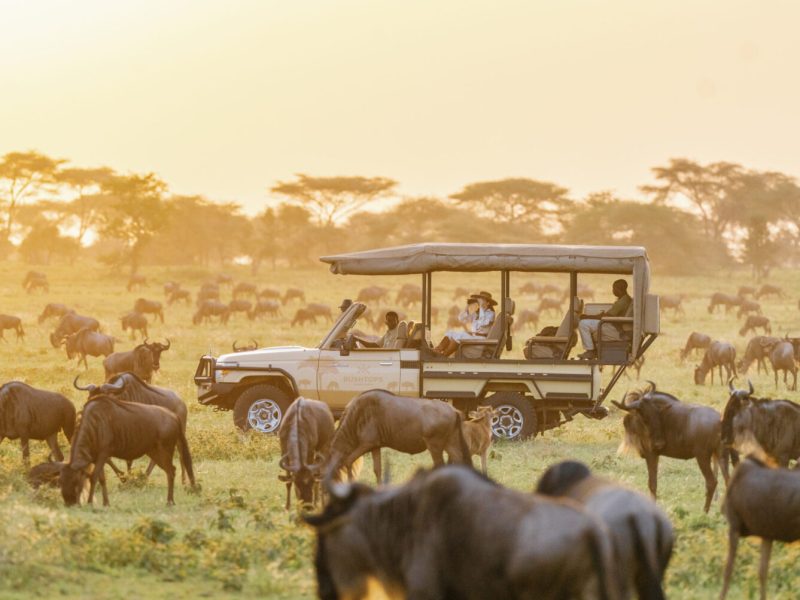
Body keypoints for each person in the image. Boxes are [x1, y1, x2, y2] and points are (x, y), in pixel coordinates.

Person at [577, 279, 632, 360]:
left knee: (583, 324)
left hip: (616, 329)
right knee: (587, 324)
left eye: (614, 288)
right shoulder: (625, 299)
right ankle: (592, 349)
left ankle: (590, 351)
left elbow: (606, 316)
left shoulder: (622, 302)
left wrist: (587, 316)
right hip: (613, 324)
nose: (613, 290)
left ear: (618, 289)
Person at [433, 291, 497, 357]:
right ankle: (438, 350)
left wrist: (480, 307)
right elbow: (461, 318)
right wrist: (467, 307)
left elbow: (482, 322)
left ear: (488, 303)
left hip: (481, 338)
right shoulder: (477, 313)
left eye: (482, 300)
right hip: (474, 336)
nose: (480, 302)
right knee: (450, 333)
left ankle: (444, 355)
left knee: (459, 336)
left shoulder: (490, 313)